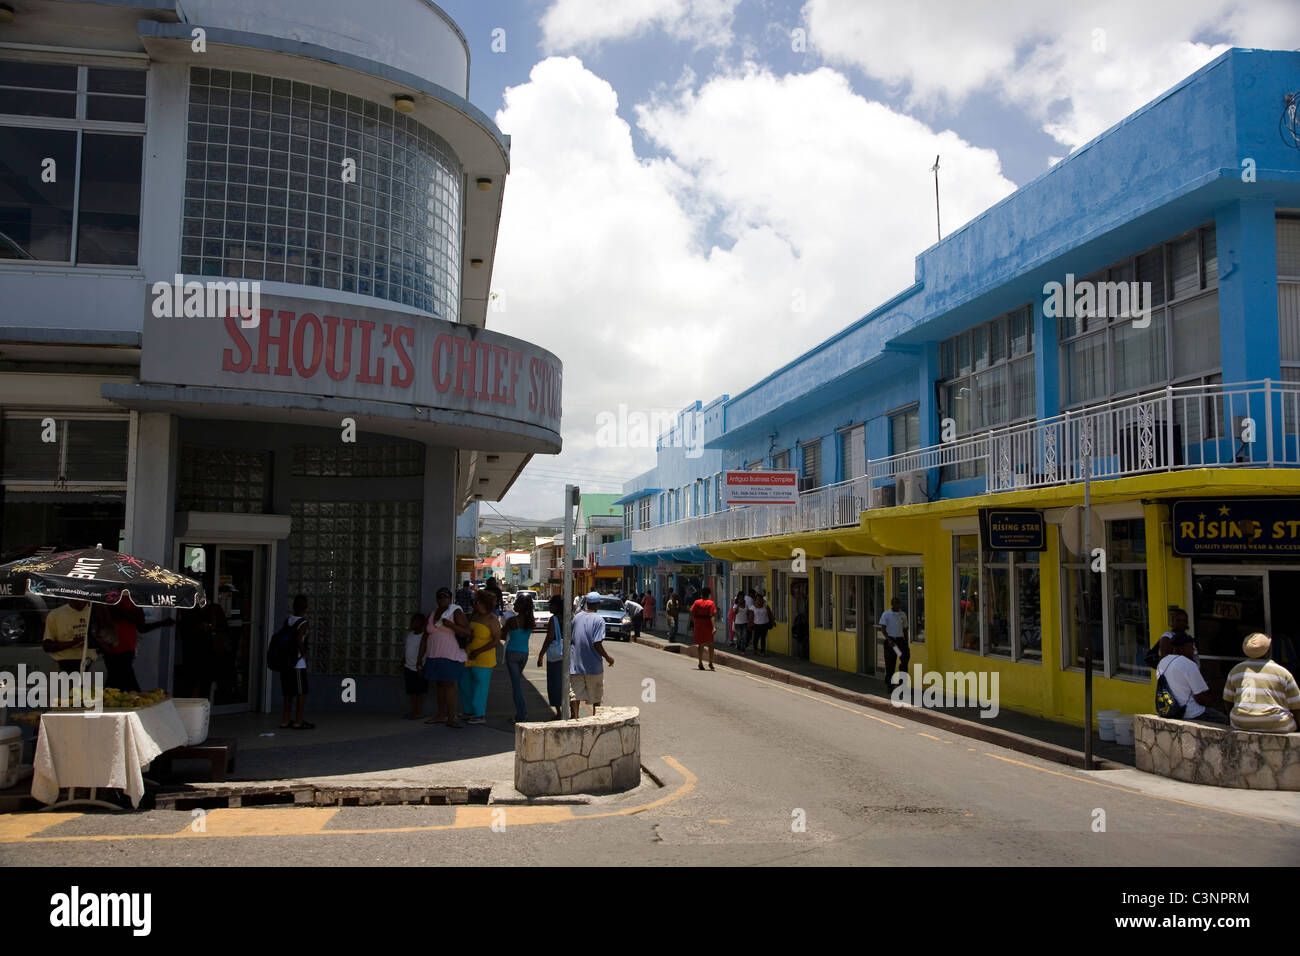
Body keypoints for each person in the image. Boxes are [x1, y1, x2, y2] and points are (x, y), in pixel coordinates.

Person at [1223, 632, 1300, 733]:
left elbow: (1227, 700)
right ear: (1268, 650)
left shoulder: (1236, 670)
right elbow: (1296, 705)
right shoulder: (1282, 672)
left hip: (1240, 723)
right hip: (1276, 724)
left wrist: (1239, 718)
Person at [105, 594, 173, 692]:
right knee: (119, 679)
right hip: (111, 646)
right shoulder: (112, 599)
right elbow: (117, 616)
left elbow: (141, 627)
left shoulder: (133, 601)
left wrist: (162, 623)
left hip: (124, 647)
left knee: (117, 679)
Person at [1156, 632, 1228, 724]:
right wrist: (1212, 701)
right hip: (1191, 713)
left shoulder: (1162, 662)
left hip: (1170, 710)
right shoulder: (1188, 663)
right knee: (1226, 721)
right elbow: (1200, 698)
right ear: (1182, 647)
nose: (1193, 650)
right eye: (1191, 646)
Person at [424, 587, 470, 728]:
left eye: (445, 597)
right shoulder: (433, 613)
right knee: (439, 685)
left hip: (451, 655)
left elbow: (467, 632)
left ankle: (451, 717)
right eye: (440, 597)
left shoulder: (455, 612)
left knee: (450, 685)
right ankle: (441, 715)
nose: (442, 599)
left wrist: (451, 625)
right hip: (433, 655)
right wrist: (421, 657)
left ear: (450, 599)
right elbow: (425, 636)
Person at [460, 590, 503, 724]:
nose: (474, 604)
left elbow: (496, 641)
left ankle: (479, 714)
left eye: (477, 601)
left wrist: (478, 651)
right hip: (468, 657)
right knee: (465, 685)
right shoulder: (474, 616)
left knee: (480, 688)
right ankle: (468, 711)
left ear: (484, 603)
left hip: (483, 659)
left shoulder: (492, 620)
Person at [570, 592, 615, 717]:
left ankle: (575, 719)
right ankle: (595, 720)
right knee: (596, 697)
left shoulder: (577, 617)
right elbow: (597, 643)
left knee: (575, 695)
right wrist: (608, 658)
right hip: (593, 666)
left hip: (576, 665)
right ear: (598, 604)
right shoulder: (599, 620)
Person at [279, 594, 313, 730]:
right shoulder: (303, 622)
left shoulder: (288, 620)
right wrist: (304, 654)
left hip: (286, 662)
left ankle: (285, 720)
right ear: (305, 607)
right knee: (301, 692)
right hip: (298, 663)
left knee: (288, 692)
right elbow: (299, 639)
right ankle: (298, 721)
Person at [503, 592, 535, 722]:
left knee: (516, 686)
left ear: (521, 606)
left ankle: (521, 715)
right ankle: (521, 713)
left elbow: (502, 635)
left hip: (512, 653)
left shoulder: (512, 620)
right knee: (517, 683)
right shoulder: (530, 621)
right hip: (524, 654)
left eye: (516, 603)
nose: (514, 605)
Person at [42, 600, 95, 674]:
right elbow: (47, 646)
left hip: (88, 662)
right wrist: (73, 643)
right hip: (62, 664)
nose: (80, 601)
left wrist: (91, 641)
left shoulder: (94, 613)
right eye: (76, 599)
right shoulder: (55, 615)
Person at [536, 595, 566, 719]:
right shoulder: (569, 618)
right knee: (567, 684)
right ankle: (570, 710)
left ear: (557, 606)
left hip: (555, 657)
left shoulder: (554, 620)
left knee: (555, 684)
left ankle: (559, 712)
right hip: (568, 654)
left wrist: (541, 655)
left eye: (551, 604)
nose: (549, 607)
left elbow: (549, 638)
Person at [402, 612, 429, 719]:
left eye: (415, 621)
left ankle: (418, 711)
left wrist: (420, 666)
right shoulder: (409, 635)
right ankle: (413, 711)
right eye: (412, 621)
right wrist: (403, 660)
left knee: (419, 691)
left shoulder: (424, 637)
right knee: (412, 691)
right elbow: (407, 649)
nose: (412, 623)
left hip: (420, 668)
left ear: (421, 623)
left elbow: (425, 651)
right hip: (408, 667)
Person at [879, 597, 910, 688]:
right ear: (892, 604)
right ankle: (889, 684)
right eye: (895, 603)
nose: (897, 605)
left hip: (900, 641)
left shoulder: (902, 614)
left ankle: (902, 683)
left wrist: (906, 642)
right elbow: (883, 629)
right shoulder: (887, 614)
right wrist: (889, 640)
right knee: (891, 663)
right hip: (891, 641)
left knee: (904, 659)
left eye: (898, 603)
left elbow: (905, 629)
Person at [690, 587, 718, 671]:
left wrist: (694, 622)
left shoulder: (697, 602)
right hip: (707, 624)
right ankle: (710, 662)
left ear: (701, 594)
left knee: (701, 644)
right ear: (708, 595)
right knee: (711, 644)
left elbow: (691, 612)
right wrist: (714, 627)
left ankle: (700, 662)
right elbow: (712, 616)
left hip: (698, 624)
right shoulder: (711, 603)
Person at [750, 592, 771, 656]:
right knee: (756, 638)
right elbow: (750, 616)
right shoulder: (753, 607)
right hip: (756, 625)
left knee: (763, 638)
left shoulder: (765, 606)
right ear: (755, 600)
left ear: (762, 600)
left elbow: (770, 614)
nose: (759, 601)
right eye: (757, 599)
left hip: (765, 624)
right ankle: (755, 650)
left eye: (760, 599)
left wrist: (772, 621)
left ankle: (762, 651)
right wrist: (750, 624)